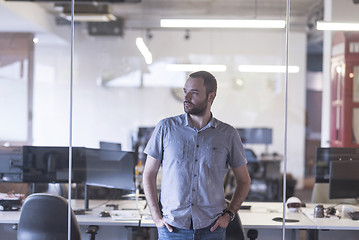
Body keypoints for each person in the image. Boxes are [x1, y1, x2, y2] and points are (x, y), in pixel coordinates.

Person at [142, 71, 251, 240]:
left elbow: (244, 180)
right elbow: (148, 174)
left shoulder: (228, 134)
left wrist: (229, 215)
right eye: (185, 90)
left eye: (194, 92)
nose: (186, 97)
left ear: (211, 97)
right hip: (172, 229)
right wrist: (156, 217)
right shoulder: (166, 128)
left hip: (212, 229)